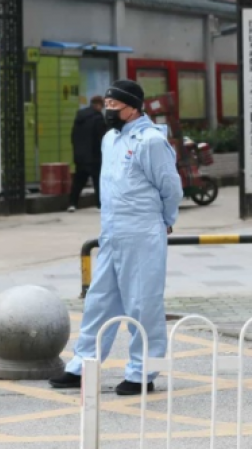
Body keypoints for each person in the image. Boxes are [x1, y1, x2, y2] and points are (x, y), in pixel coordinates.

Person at [49, 80, 183, 395]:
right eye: (107, 105)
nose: (108, 111)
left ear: (133, 107)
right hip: (111, 231)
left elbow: (171, 187)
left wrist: (165, 220)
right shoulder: (110, 139)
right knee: (99, 302)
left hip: (141, 231)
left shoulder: (151, 141)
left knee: (143, 304)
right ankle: (84, 365)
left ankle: (143, 373)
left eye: (114, 106)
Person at [68, 95, 107, 212]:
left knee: (78, 182)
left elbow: (73, 136)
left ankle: (72, 204)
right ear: (99, 105)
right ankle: (100, 205)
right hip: (94, 155)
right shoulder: (98, 118)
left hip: (80, 156)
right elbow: (101, 137)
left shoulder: (79, 117)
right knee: (98, 181)